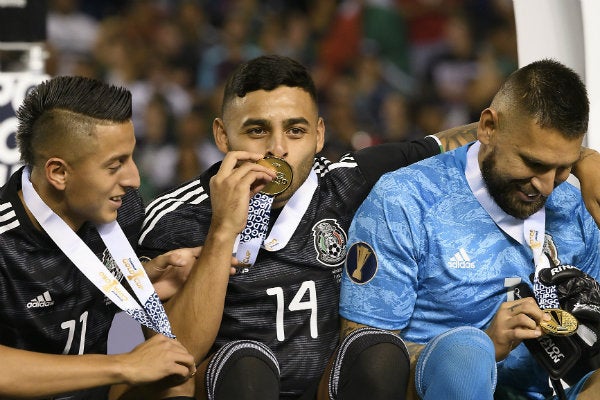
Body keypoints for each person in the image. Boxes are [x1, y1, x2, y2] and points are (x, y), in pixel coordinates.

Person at [138, 55, 600, 400]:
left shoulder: (350, 179)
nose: (277, 149)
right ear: (222, 135)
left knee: (373, 354)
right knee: (240, 369)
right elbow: (173, 355)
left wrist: (583, 159)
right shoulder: (174, 215)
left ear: (318, 135)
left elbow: (476, 139)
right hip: (233, 382)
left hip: (328, 384)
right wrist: (223, 231)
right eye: (257, 130)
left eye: (295, 131)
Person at [337, 58, 600, 399]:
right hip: (442, 386)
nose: (548, 186)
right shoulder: (405, 201)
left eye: (563, 168)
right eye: (534, 163)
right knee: (468, 352)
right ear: (489, 127)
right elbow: (364, 364)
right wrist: (487, 348)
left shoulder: (574, 207)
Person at [0, 75, 200, 399]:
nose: (134, 179)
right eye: (115, 165)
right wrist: (123, 365)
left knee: (176, 381)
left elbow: (72, 287)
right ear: (59, 173)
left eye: (131, 157)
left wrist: (139, 283)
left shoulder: (123, 211)